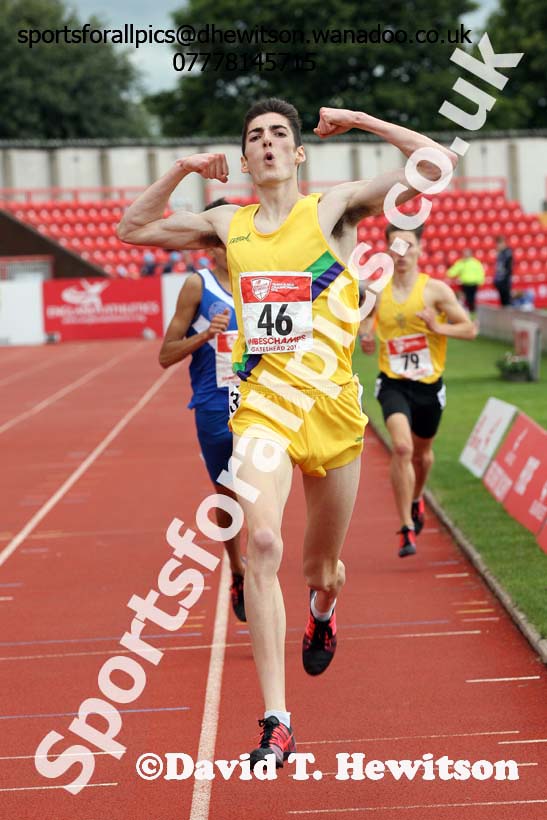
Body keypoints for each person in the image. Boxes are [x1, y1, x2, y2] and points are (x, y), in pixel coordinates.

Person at [117, 98, 458, 767]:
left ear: (298, 153)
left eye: (279, 134)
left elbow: (435, 165)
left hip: (332, 414)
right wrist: (183, 168)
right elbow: (134, 227)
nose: (268, 142)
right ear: (245, 160)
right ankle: (277, 721)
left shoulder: (333, 209)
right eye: (255, 137)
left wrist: (361, 120)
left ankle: (322, 612)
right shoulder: (228, 224)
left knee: (321, 570)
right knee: (264, 542)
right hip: (263, 410)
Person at [360, 224, 477, 557]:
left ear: (420, 250)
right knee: (401, 447)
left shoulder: (435, 291)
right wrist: (366, 335)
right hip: (393, 382)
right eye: (395, 246)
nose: (402, 253)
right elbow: (366, 321)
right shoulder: (378, 290)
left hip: (428, 386)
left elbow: (469, 329)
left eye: (408, 245)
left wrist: (437, 326)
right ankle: (405, 527)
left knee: (422, 456)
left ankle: (416, 498)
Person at [158, 198, 246, 621]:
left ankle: (260, 563)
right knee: (227, 495)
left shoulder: (260, 282)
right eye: (220, 238)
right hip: (214, 405)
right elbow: (165, 355)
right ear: (209, 244)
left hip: (260, 401)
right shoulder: (198, 285)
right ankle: (238, 569)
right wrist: (206, 335)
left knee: (266, 488)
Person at [446, 248, 485, 313]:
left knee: (471, 299)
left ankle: (472, 313)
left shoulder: (476, 263)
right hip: (465, 284)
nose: (466, 255)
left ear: (471, 254)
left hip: (473, 284)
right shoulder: (461, 263)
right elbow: (454, 271)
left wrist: (480, 281)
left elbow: (480, 272)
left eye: (467, 253)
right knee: (465, 299)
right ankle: (466, 312)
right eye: (465, 254)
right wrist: (449, 273)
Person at [494, 236, 513, 307]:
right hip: (500, 280)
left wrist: (505, 279)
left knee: (506, 300)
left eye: (499, 244)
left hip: (505, 280)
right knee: (502, 301)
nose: (498, 246)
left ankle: (508, 312)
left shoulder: (507, 253)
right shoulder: (500, 253)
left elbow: (508, 268)